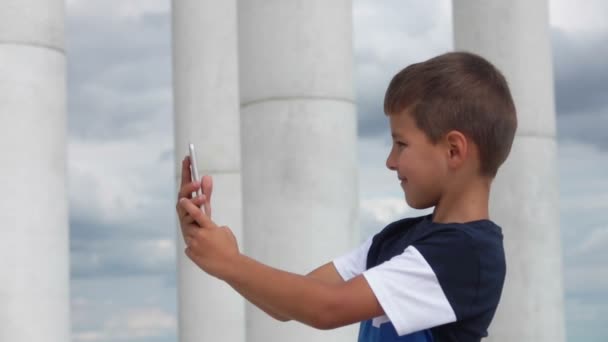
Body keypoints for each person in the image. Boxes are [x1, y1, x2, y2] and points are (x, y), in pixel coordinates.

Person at [175, 51, 517, 342]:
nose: (391, 161)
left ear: (453, 150)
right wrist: (212, 248)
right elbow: (288, 304)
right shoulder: (395, 240)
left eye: (401, 144)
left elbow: (327, 307)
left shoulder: (469, 255)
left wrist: (231, 262)